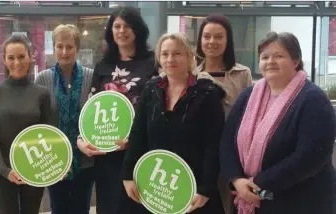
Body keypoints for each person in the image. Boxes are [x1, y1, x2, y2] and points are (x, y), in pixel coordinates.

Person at [220, 32, 336, 214]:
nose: (270, 61)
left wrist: (258, 184)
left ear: (295, 61)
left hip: (300, 201)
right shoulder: (248, 96)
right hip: (249, 197)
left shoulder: (313, 99)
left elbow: (311, 156)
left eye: (279, 56)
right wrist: (236, 179)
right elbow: (227, 142)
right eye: (265, 57)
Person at [122, 33, 226, 214]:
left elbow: (213, 145)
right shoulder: (151, 89)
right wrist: (127, 174)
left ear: (189, 56)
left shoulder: (207, 94)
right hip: (156, 188)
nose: (170, 59)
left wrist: (205, 188)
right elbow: (138, 133)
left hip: (193, 189)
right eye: (165, 54)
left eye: (177, 53)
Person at [76, 6, 158, 214]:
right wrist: (82, 139)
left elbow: (159, 107)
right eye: (117, 26)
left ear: (137, 29)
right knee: (110, 207)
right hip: (108, 155)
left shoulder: (152, 62)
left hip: (141, 150)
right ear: (111, 31)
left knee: (140, 206)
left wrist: (137, 139)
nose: (122, 31)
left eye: (127, 26)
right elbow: (93, 106)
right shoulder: (103, 65)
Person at [0, 34, 53, 214]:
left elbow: (50, 134)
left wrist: (55, 165)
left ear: (30, 57)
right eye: (11, 58)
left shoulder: (42, 93)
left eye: (21, 56)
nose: (17, 62)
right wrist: (5, 170)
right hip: (2, 171)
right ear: (4, 60)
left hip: (34, 167)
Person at [194, 14, 254, 213]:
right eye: (207, 36)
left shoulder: (242, 74)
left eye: (219, 37)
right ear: (200, 40)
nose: (212, 42)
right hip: (200, 153)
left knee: (232, 204)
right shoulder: (190, 75)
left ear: (228, 41)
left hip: (234, 153)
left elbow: (251, 113)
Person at [35, 24, 95, 214]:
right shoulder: (43, 79)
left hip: (85, 159)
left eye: (69, 47)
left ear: (77, 49)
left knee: (81, 209)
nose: (64, 51)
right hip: (54, 159)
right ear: (53, 48)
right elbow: (39, 120)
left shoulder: (91, 77)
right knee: (58, 208)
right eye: (59, 46)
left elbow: (94, 118)